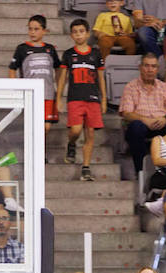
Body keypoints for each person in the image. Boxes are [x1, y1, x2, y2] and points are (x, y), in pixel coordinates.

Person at [58, 19, 106, 182]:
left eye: (81, 31)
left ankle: (86, 167)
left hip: (92, 99)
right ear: (71, 35)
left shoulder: (95, 54)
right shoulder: (68, 54)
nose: (78, 34)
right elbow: (63, 79)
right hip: (75, 98)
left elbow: (100, 78)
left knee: (90, 133)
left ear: (87, 33)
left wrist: (104, 99)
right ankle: (71, 143)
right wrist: (59, 98)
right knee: (76, 130)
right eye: (75, 32)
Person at [117, 51, 166, 179]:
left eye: (153, 66)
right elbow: (126, 113)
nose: (150, 69)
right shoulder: (131, 87)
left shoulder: (165, 87)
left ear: (157, 69)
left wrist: (165, 119)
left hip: (161, 124)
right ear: (140, 68)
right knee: (136, 127)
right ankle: (141, 171)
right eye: (146, 66)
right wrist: (145, 120)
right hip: (141, 125)